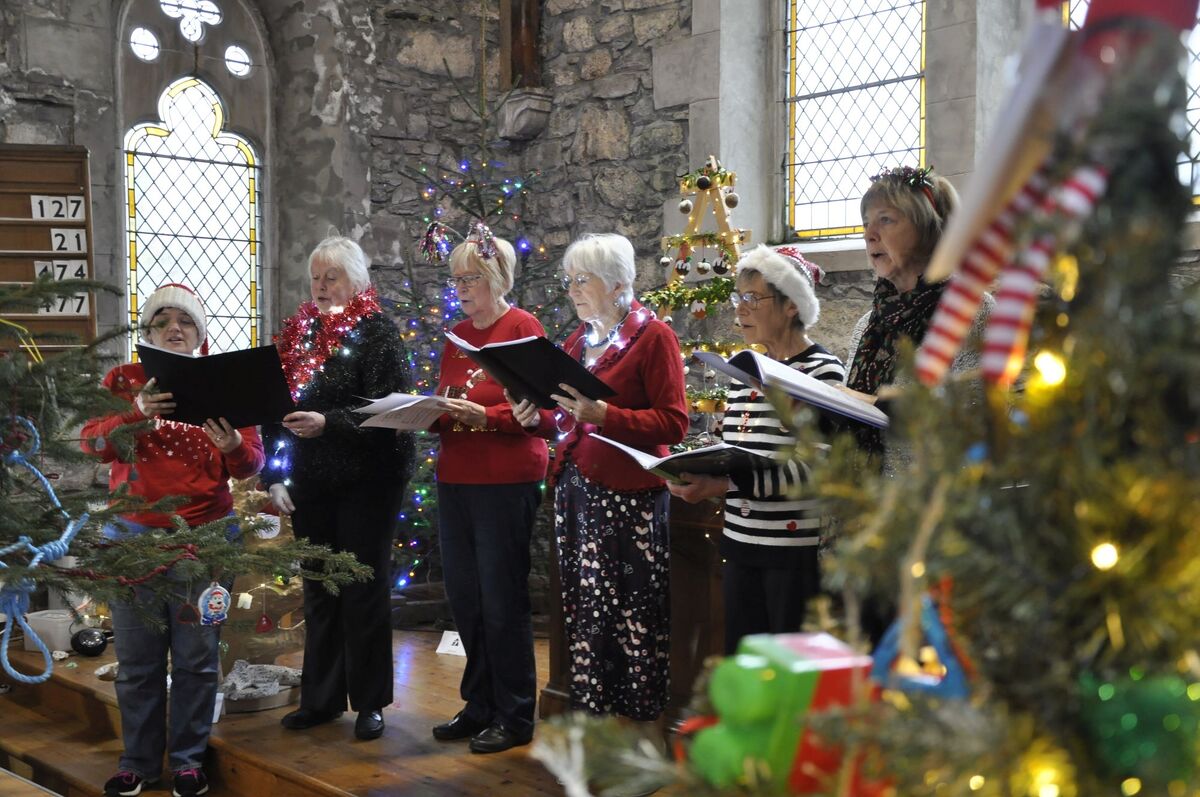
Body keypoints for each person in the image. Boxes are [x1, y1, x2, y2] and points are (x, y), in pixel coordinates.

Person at [82, 283, 265, 797]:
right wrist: (135, 412)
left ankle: (187, 760)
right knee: (138, 663)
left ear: (200, 333)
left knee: (196, 659)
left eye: (184, 321)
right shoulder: (125, 380)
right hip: (133, 542)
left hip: (204, 543)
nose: (175, 328)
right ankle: (137, 764)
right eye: (163, 321)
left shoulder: (223, 383)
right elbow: (93, 443)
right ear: (148, 333)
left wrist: (231, 447)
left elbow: (253, 463)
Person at [509, 233, 688, 729]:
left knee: (632, 619)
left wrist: (609, 414)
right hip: (577, 494)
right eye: (569, 281)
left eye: (581, 280)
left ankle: (636, 739)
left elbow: (674, 423)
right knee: (587, 616)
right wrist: (536, 420)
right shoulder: (576, 342)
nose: (572, 290)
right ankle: (593, 731)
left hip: (630, 500)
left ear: (617, 284)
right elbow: (566, 420)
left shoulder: (655, 337)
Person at [262, 235, 414, 741]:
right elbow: (272, 408)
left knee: (363, 591)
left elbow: (391, 413)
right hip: (313, 482)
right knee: (320, 592)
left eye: (333, 277)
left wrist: (329, 422)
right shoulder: (298, 334)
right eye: (316, 277)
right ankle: (321, 699)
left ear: (358, 281)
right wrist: (275, 475)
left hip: (369, 480)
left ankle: (370, 702)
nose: (323, 286)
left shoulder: (377, 334)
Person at [665, 245, 846, 653]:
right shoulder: (743, 373)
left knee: (787, 679)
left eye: (752, 298)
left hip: (791, 551)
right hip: (741, 542)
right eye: (737, 298)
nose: (740, 310)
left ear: (790, 306)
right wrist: (703, 469)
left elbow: (816, 471)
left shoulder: (822, 371)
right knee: (745, 671)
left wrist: (725, 485)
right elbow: (738, 450)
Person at [428, 233, 549, 754]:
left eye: (469, 278)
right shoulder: (456, 334)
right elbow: (450, 395)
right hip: (456, 477)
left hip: (506, 480)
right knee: (466, 599)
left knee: (502, 601)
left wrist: (490, 416)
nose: (459, 288)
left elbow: (540, 411)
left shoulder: (521, 328)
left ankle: (515, 713)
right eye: (455, 279)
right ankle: (478, 703)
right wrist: (428, 411)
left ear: (497, 278)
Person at [842, 165, 993, 453]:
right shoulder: (867, 325)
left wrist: (872, 404)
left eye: (885, 220)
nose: (869, 235)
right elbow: (848, 413)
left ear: (927, 229)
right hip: (862, 491)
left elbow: (972, 416)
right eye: (866, 223)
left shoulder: (970, 309)